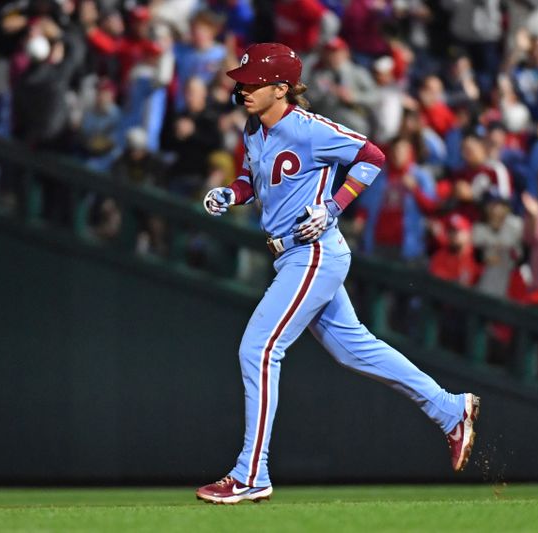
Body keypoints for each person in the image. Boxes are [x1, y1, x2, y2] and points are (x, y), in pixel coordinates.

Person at [195, 43, 480, 504]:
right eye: (241, 80)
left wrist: (333, 205)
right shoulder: (253, 127)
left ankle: (252, 472)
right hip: (290, 253)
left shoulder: (308, 128)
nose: (242, 88)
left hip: (313, 251)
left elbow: (372, 156)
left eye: (253, 82)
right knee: (355, 350)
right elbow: (255, 177)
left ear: (282, 88)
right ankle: (450, 410)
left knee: (260, 348)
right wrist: (232, 194)